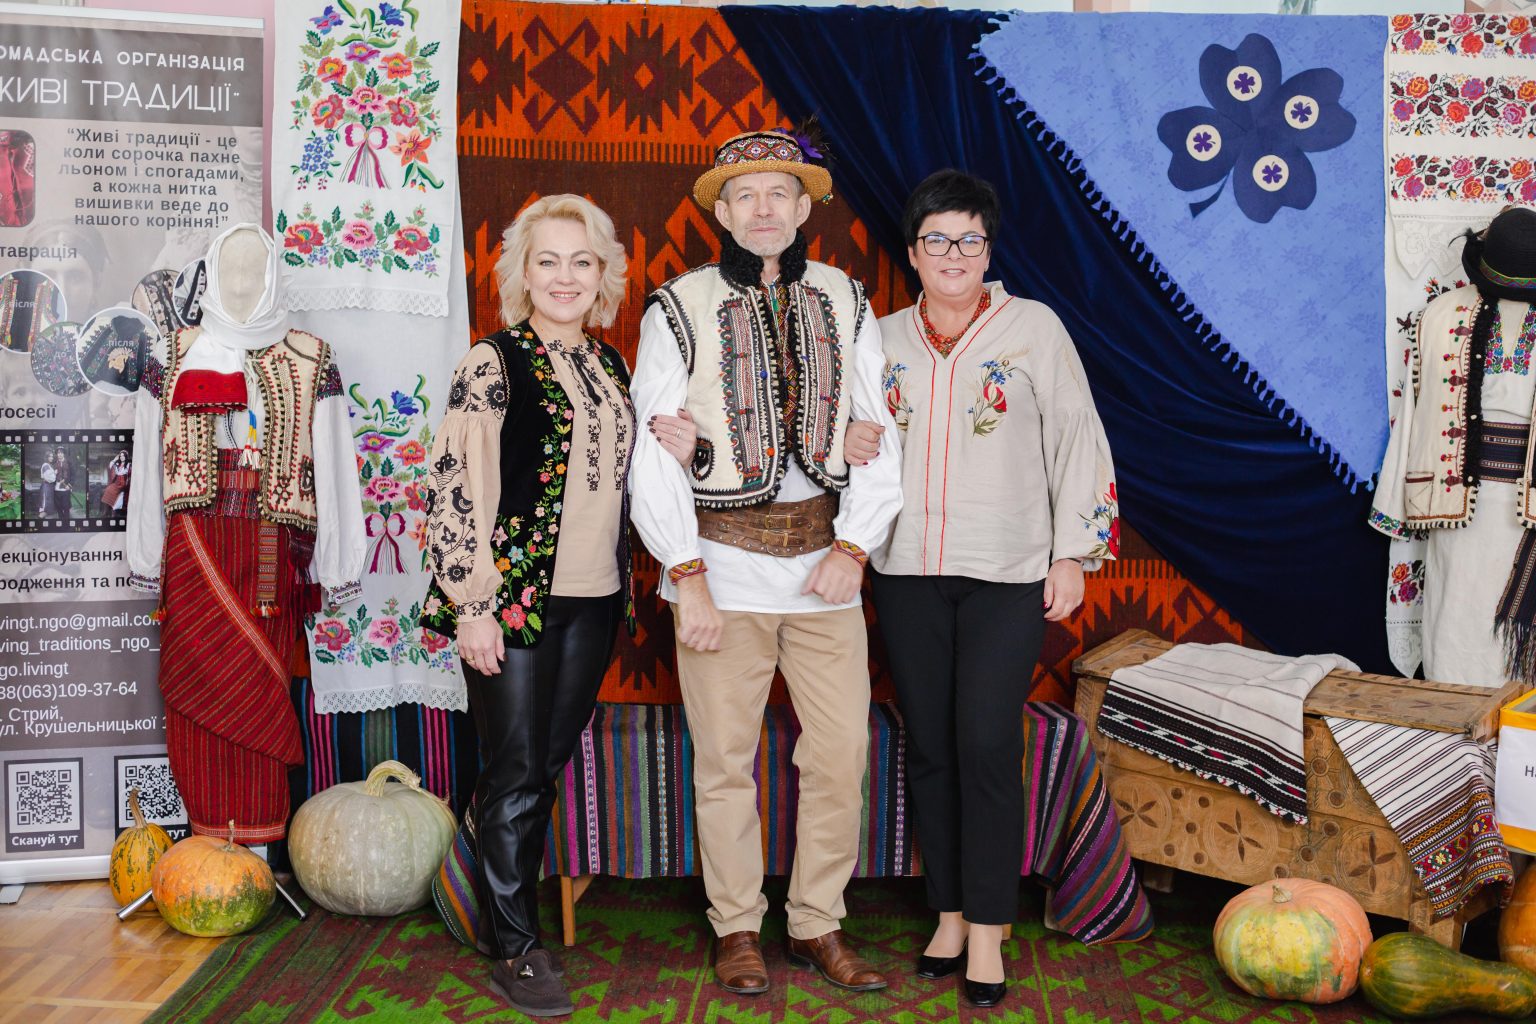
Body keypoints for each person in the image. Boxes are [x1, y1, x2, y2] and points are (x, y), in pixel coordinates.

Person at [628, 128, 903, 996]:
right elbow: (650, 452)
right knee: (725, 761)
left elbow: (878, 430)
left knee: (840, 756)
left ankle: (818, 922)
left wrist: (854, 547)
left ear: (803, 206)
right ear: (720, 211)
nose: (762, 208)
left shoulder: (847, 299)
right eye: (743, 194)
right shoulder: (677, 306)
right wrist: (687, 576)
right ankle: (737, 926)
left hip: (826, 570)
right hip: (722, 570)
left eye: (779, 192)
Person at [420, 194, 695, 1018]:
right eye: (549, 261)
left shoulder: (611, 365)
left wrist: (693, 446)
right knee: (512, 770)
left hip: (596, 599)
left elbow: (638, 474)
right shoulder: (492, 362)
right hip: (511, 598)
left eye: (582, 262)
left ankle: (483, 900)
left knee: (539, 769)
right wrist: (471, 605)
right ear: (523, 273)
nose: (565, 277)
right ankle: (517, 948)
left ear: (603, 274)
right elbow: (454, 484)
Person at [870, 170, 1119, 1009]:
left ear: (988, 250)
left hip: (1008, 570)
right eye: (937, 240)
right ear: (913, 253)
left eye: (969, 240)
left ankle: (988, 927)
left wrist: (1074, 554)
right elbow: (855, 443)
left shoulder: (1033, 329)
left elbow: (1078, 437)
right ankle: (946, 914)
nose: (954, 254)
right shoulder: (882, 339)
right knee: (931, 747)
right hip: (906, 570)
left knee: (983, 743)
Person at [1372, 206, 1536, 686]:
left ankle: (1522, 735)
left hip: (1527, 513)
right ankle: (1455, 724)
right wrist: (1396, 504)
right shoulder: (1440, 316)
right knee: (1456, 624)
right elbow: (1415, 416)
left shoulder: (1436, 315)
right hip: (1460, 505)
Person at [38, 447, 71, 518]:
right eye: (58, 453)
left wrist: (69, 485)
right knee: (53, 506)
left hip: (64, 488)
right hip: (52, 488)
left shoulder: (69, 463)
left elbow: (73, 475)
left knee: (66, 506)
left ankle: (66, 521)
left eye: (61, 453)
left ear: (64, 454)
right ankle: (60, 520)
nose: (60, 454)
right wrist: (55, 474)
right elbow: (50, 478)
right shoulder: (52, 464)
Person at [101, 450, 131, 516]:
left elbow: (128, 475)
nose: (122, 457)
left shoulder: (128, 465)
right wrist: (115, 459)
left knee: (112, 490)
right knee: (108, 489)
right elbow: (110, 466)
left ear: (126, 457)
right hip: (117, 482)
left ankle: (108, 512)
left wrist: (126, 481)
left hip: (122, 483)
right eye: (121, 456)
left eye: (123, 456)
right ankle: (106, 511)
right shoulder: (118, 464)